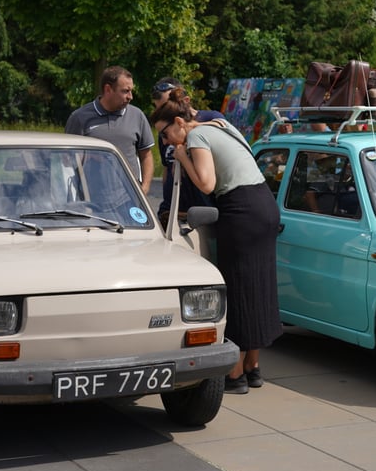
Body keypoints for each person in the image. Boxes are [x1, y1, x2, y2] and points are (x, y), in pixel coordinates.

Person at [151, 89, 282, 395]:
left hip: (240, 209)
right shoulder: (220, 126)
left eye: (167, 133)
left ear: (180, 122)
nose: (167, 141)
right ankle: (253, 368)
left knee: (236, 288)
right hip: (264, 204)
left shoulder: (195, 138)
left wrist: (182, 156)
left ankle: (234, 375)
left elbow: (207, 183)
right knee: (259, 286)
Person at [65, 66, 154, 194]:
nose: (130, 97)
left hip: (129, 198)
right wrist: (92, 155)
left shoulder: (137, 115)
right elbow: (67, 160)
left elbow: (146, 155)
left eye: (131, 91)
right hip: (91, 198)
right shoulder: (79, 118)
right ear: (108, 89)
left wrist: (144, 188)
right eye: (125, 91)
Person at [150, 77, 222, 228]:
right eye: (158, 109)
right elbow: (166, 166)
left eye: (165, 108)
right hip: (172, 209)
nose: (161, 115)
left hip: (201, 210)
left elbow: (222, 128)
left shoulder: (211, 118)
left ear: (185, 101)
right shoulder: (165, 129)